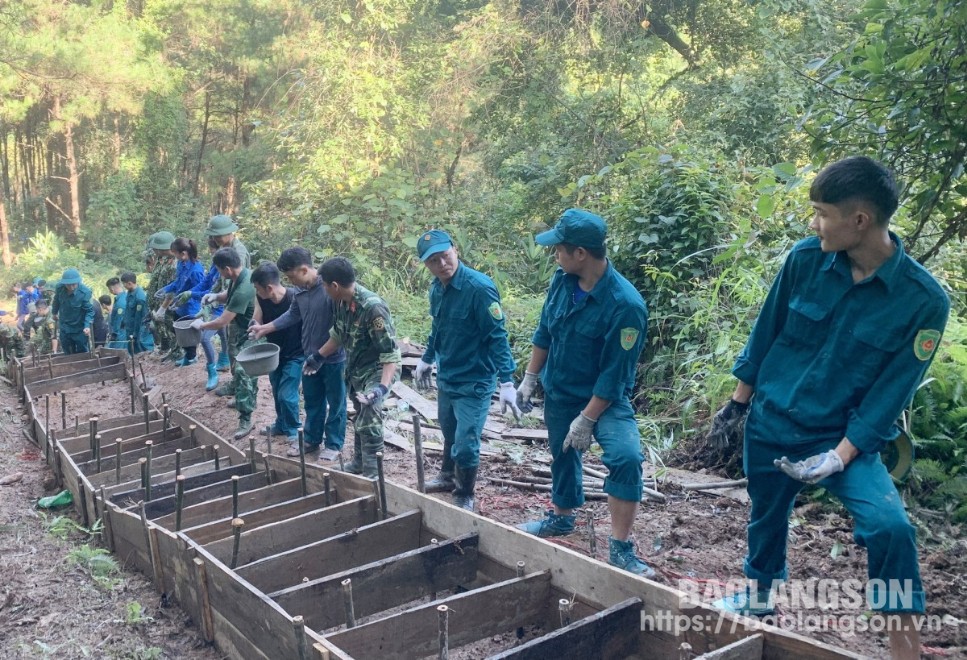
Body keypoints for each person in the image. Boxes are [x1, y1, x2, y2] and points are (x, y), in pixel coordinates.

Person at [707, 157, 949, 660]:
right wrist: (737, 405)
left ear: (859, 220)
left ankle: (904, 646)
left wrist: (839, 455)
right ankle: (761, 595)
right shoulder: (804, 260)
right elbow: (767, 331)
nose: (813, 223)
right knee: (766, 513)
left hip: (844, 438)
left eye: (821, 212)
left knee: (891, 529)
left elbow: (892, 393)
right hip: (773, 422)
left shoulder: (923, 300)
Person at [515, 209, 653, 576]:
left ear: (581, 253)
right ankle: (561, 516)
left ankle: (621, 547)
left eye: (559, 249)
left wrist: (588, 418)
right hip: (561, 390)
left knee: (625, 457)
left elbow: (614, 374)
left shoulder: (626, 306)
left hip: (605, 401)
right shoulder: (563, 281)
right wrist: (530, 377)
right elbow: (545, 331)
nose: (554, 255)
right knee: (561, 453)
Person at [413, 230, 520, 511]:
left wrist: (507, 382)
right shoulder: (437, 289)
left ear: (455, 250)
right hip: (448, 376)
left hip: (475, 380)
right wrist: (427, 357)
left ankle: (464, 492)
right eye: (433, 261)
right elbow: (438, 327)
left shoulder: (479, 288)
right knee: (449, 431)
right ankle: (447, 476)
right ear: (427, 265)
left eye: (445, 256)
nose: (442, 264)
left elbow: (497, 336)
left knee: (466, 441)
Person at [250, 248, 347, 462]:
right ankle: (311, 440)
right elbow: (292, 314)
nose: (290, 282)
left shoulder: (329, 288)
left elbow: (341, 328)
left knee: (336, 402)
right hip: (309, 357)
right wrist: (265, 328)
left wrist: (322, 355)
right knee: (312, 401)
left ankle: (334, 443)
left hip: (333, 359)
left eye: (291, 276)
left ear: (304, 270)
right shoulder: (300, 292)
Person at [310, 257, 400, 477]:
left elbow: (390, 354)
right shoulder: (341, 302)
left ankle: (373, 474)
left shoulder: (373, 308)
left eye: (324, 285)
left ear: (334, 286)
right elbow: (338, 334)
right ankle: (359, 463)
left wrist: (381, 389)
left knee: (369, 414)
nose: (323, 289)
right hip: (357, 369)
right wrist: (318, 356)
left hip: (379, 371)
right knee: (360, 412)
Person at [194, 247, 258, 440]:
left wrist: (202, 325)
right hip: (239, 330)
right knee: (233, 362)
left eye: (220, 270)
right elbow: (228, 294)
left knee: (244, 371)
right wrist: (216, 296)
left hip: (251, 333)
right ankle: (236, 391)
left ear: (227, 269)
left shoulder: (245, 287)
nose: (220, 274)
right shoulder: (239, 276)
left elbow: (223, 320)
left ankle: (246, 416)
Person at [249, 262, 305, 446]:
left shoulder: (295, 297)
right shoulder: (261, 298)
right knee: (276, 388)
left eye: (258, 288)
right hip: (274, 353)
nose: (256, 291)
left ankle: (294, 430)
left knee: (287, 394)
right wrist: (253, 326)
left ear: (269, 287)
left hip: (296, 353)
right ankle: (281, 424)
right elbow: (257, 317)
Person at [182, 237, 231, 391]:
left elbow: (226, 292)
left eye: (211, 250)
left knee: (205, 338)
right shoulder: (215, 265)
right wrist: (192, 293)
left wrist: (200, 298)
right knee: (223, 333)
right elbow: (209, 284)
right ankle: (223, 361)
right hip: (213, 304)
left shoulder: (227, 266)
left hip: (222, 307)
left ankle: (212, 370)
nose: (210, 253)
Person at [160, 237, 205, 366]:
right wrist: (166, 289)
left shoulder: (196, 271)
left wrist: (187, 297)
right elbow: (178, 283)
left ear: (183, 253)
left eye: (175, 254)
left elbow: (199, 292)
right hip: (180, 305)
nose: (174, 257)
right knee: (177, 329)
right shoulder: (181, 264)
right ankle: (188, 354)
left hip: (190, 306)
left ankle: (192, 357)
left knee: (188, 333)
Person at [145, 231, 179, 361]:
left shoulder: (175, 263)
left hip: (169, 302)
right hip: (161, 300)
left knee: (172, 328)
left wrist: (164, 306)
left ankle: (176, 352)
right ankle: (171, 350)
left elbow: (173, 286)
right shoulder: (164, 260)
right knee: (163, 327)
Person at [51, 268, 95, 355]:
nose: (71, 287)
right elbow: (56, 300)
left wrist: (87, 326)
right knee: (67, 352)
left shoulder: (85, 292)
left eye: (73, 285)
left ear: (78, 282)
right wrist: (54, 312)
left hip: (79, 328)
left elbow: (89, 311)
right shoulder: (59, 288)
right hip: (64, 326)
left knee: (82, 353)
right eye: (68, 285)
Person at [121, 272, 154, 354]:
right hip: (129, 327)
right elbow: (128, 309)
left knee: (139, 350)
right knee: (131, 350)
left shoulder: (140, 297)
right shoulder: (129, 293)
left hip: (137, 329)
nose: (123, 286)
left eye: (124, 284)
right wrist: (123, 321)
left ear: (129, 283)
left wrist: (135, 333)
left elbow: (139, 318)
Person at [106, 277, 128, 349]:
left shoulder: (120, 302)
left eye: (109, 289)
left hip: (120, 332)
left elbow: (119, 319)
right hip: (121, 330)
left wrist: (114, 334)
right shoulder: (124, 297)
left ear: (111, 288)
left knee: (117, 352)